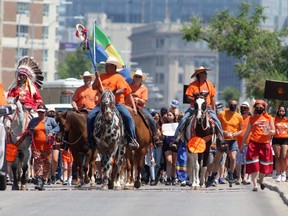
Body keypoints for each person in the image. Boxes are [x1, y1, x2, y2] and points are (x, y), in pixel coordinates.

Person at [87, 56, 139, 149]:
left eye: (108, 65)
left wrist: (110, 93)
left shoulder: (119, 77)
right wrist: (96, 77)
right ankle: (90, 140)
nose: (106, 67)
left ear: (114, 67)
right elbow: (94, 87)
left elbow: (122, 90)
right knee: (90, 117)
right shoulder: (101, 76)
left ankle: (132, 139)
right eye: (106, 65)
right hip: (101, 104)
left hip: (116, 104)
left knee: (128, 117)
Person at [170, 66, 224, 151]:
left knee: (217, 121)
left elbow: (212, 99)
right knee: (183, 119)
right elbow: (188, 97)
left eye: (206, 73)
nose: (206, 74)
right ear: (199, 75)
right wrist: (197, 99)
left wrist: (214, 110)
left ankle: (221, 141)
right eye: (204, 73)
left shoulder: (209, 84)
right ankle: (176, 140)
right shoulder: (192, 85)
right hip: (194, 107)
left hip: (207, 107)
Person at [240, 100, 275, 191]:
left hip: (265, 144)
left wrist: (271, 132)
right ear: (255, 108)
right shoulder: (252, 119)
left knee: (264, 166)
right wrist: (242, 144)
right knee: (254, 165)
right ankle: (255, 184)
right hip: (254, 144)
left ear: (264, 108)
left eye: (261, 108)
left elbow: (274, 130)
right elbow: (247, 132)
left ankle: (261, 180)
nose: (259, 109)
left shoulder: (269, 118)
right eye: (257, 107)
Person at [207, 100, 243, 186]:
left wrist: (235, 134)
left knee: (233, 158)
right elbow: (216, 126)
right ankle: (213, 176)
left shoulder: (239, 116)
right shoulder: (221, 114)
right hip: (222, 139)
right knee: (217, 159)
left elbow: (241, 130)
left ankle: (230, 174)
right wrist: (223, 132)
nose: (233, 106)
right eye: (231, 104)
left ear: (237, 106)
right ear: (228, 105)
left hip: (233, 140)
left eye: (235, 105)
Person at [27, 104, 60, 190]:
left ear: (45, 112)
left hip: (47, 146)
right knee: (37, 162)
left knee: (46, 163)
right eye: (39, 112)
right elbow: (28, 130)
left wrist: (52, 132)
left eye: (42, 112)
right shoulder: (33, 121)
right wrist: (30, 132)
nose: (40, 114)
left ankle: (43, 179)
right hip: (36, 146)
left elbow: (57, 127)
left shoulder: (50, 120)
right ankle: (39, 180)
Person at [126, 69, 162, 146]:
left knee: (151, 119)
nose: (137, 78)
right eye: (136, 76)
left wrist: (137, 99)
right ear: (133, 77)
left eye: (139, 77)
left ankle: (155, 137)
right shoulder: (128, 86)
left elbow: (143, 101)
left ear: (141, 79)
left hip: (140, 107)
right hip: (129, 106)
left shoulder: (144, 88)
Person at [236, 101, 251, 185]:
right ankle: (239, 178)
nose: (243, 110)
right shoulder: (238, 117)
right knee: (238, 161)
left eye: (245, 108)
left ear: (248, 109)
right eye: (242, 108)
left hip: (247, 143)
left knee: (246, 161)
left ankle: (245, 177)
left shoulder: (250, 119)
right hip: (238, 143)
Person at [272, 105, 288, 182]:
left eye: (283, 111)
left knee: (284, 156)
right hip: (276, 139)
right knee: (277, 157)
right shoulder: (274, 119)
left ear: (285, 112)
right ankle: (278, 174)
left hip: (285, 139)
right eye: (280, 111)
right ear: (278, 111)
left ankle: (283, 172)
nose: (281, 112)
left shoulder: (287, 120)